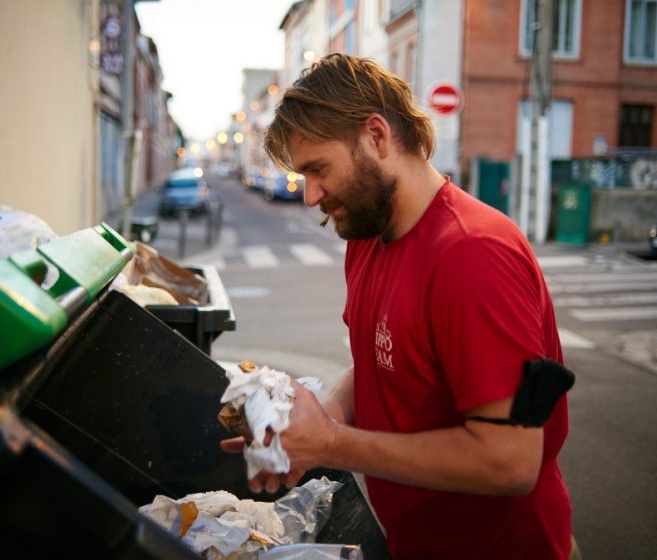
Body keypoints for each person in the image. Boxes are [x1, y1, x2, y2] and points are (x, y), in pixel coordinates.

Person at [222, 53, 573, 560]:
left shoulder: (472, 254)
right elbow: (381, 368)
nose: (309, 195)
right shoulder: (368, 233)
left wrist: (332, 444)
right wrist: (308, 425)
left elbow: (510, 462)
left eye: (318, 169)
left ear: (377, 137)